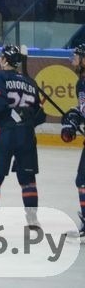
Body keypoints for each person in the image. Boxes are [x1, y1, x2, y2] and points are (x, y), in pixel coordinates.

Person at [0, 45, 45, 229]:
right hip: (26, 135)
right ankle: (33, 220)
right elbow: (40, 115)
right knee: (28, 180)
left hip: (4, 133)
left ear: (5, 60)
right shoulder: (30, 82)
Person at [58, 44, 85, 240]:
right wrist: (75, 117)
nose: (74, 59)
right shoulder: (80, 82)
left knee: (82, 180)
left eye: (77, 56)